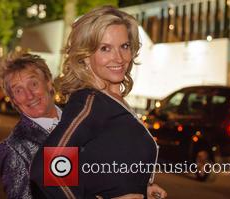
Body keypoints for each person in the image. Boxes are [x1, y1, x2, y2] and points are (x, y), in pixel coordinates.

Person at [30, 6, 167, 199]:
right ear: (86, 56)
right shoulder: (91, 103)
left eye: (124, 46)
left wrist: (138, 187)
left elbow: (98, 164)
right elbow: (47, 168)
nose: (119, 58)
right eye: (105, 48)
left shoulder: (111, 101)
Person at [0, 53, 62, 199]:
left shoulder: (79, 118)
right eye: (18, 91)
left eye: (33, 84)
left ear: (49, 82)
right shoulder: (14, 148)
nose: (29, 95)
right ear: (13, 101)